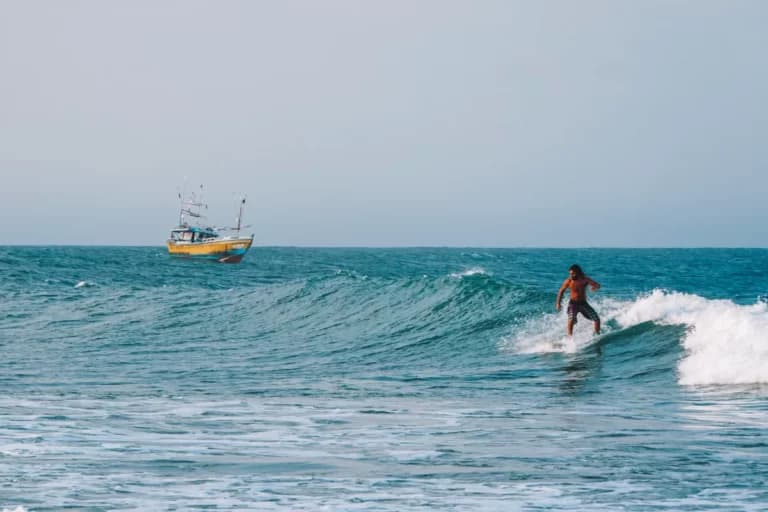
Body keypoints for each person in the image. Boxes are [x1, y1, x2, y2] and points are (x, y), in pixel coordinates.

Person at [555, 264, 601, 336]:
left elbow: (597, 285)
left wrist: (595, 287)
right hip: (573, 304)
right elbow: (561, 291)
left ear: (578, 272)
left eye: (573, 273)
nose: (571, 275)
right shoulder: (569, 281)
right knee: (571, 319)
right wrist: (558, 303)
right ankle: (570, 337)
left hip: (583, 303)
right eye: (570, 274)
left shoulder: (585, 279)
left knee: (597, 319)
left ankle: (597, 334)